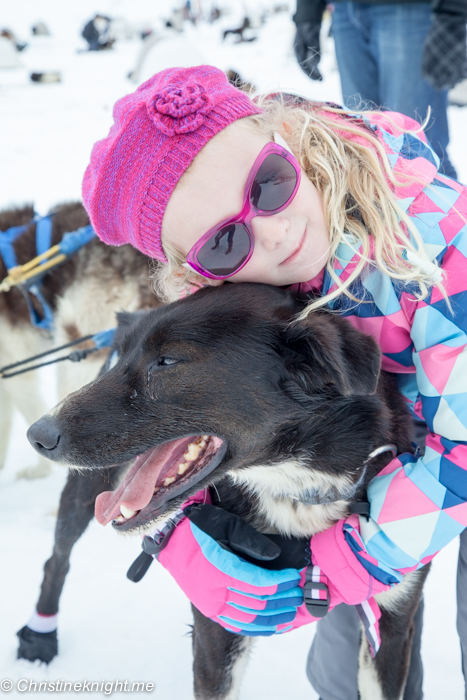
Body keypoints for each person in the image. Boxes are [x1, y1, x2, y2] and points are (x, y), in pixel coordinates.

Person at [82, 66, 467, 698]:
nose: (277, 231)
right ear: (195, 269)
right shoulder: (241, 278)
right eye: (226, 242)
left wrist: (336, 568)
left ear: (282, 135)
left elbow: (459, 457)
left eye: (270, 184)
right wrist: (191, 512)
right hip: (389, 445)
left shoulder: (437, 240)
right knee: (343, 667)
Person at [330, 0, 467, 180]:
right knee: (363, 152)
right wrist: (308, 12)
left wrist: (453, 12)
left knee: (417, 154)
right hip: (343, 9)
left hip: (410, 11)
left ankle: (451, 208)